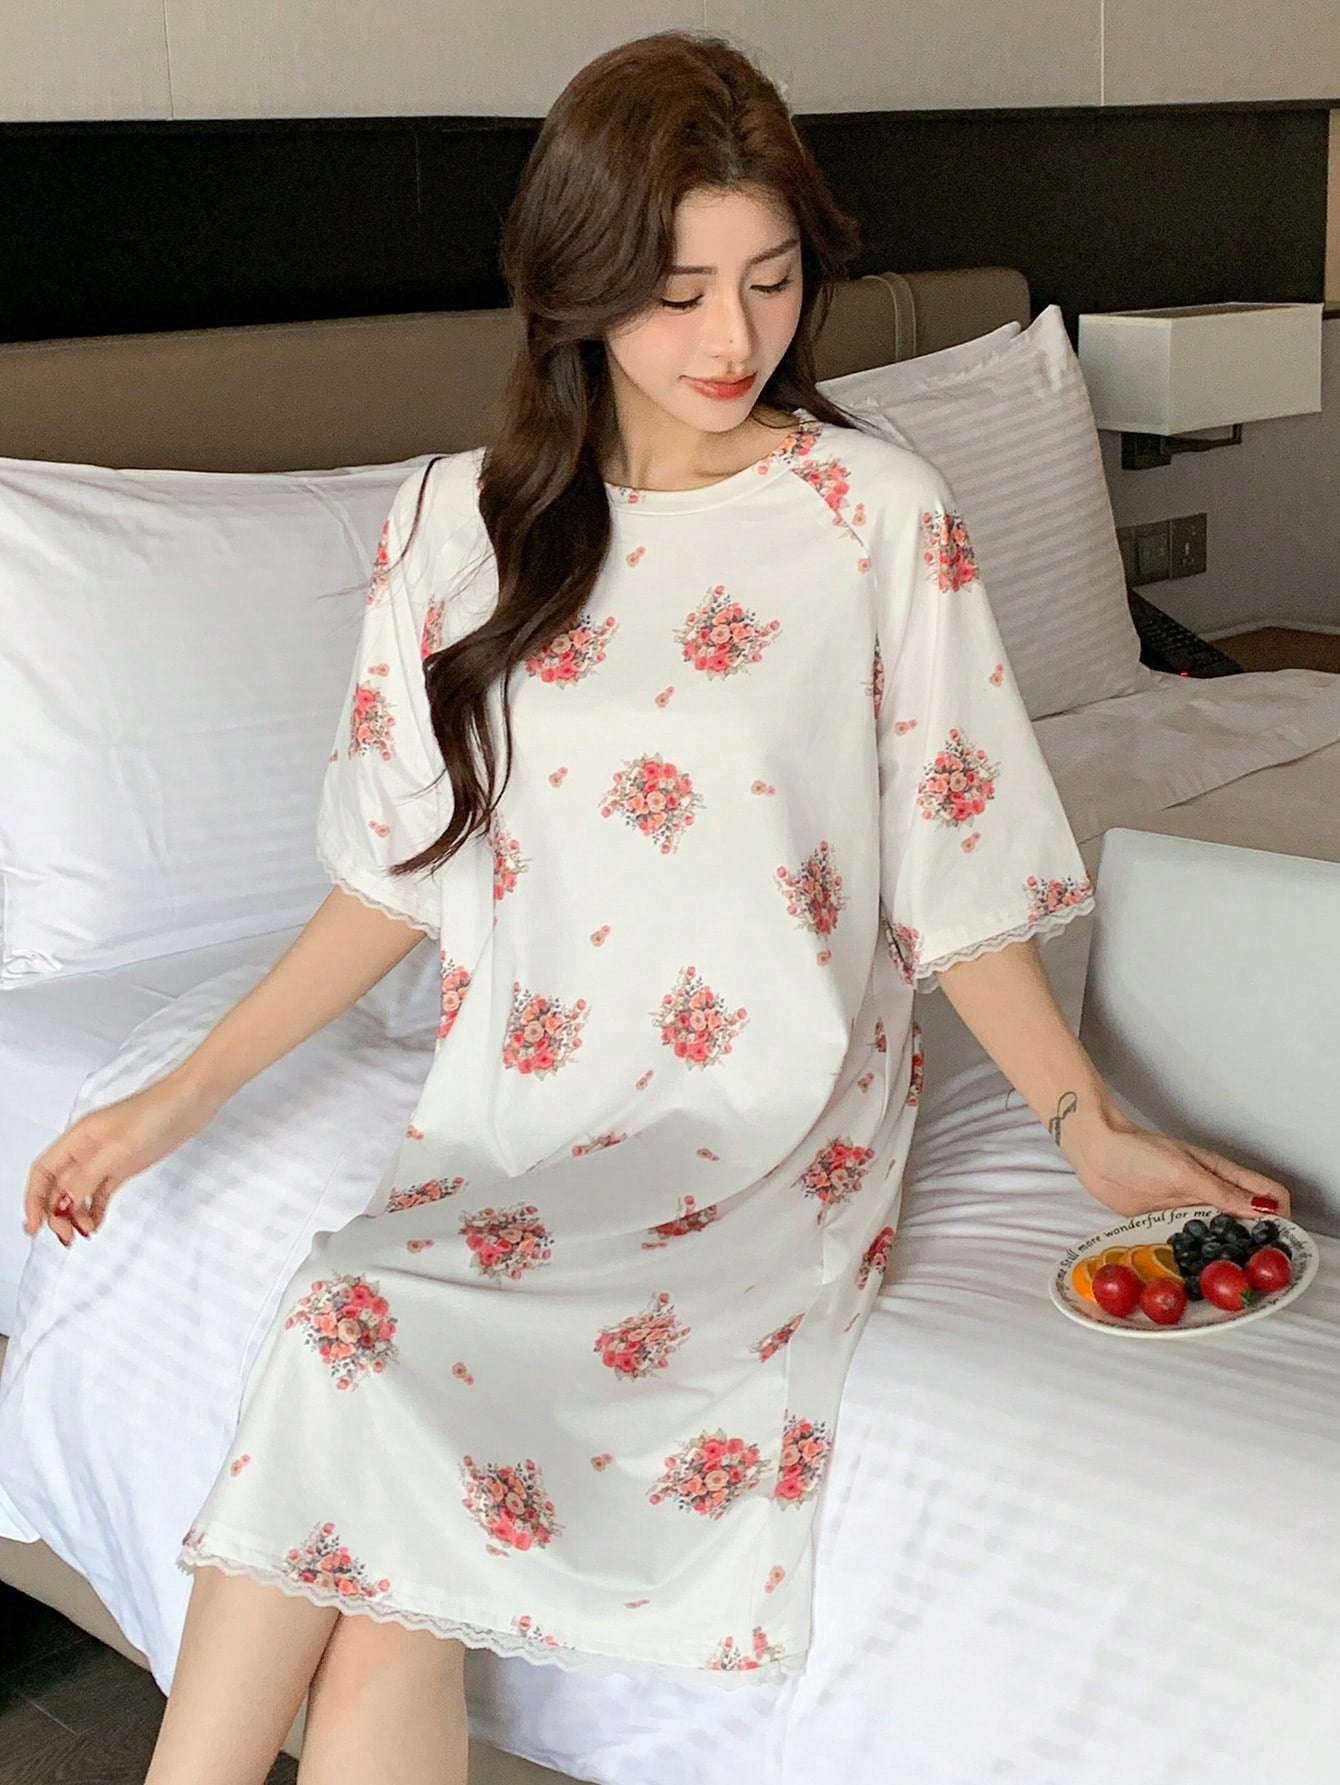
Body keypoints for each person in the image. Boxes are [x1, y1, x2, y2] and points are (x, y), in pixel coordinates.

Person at [21, 29, 1291, 1785]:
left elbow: (960, 864)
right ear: (578, 285)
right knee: (371, 1475)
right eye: (678, 290)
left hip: (766, 1131)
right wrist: (172, 1100)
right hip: (519, 1122)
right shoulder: (454, 528)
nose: (731, 337)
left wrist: (1089, 1126)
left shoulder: (871, 515)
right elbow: (394, 877)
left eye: (771, 280)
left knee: (348, 1347)